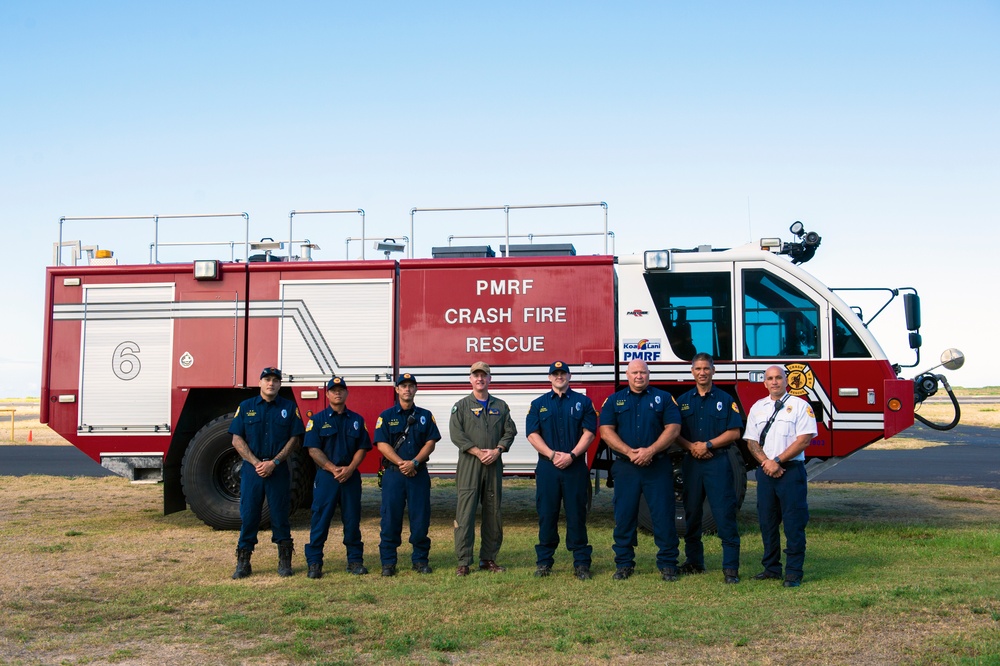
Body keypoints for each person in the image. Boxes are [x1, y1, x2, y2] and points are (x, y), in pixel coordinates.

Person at [599, 359, 682, 581]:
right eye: (635, 372)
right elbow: (606, 431)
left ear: (648, 375)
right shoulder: (614, 400)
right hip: (626, 468)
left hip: (657, 465)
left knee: (663, 516)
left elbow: (673, 428)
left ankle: (668, 564)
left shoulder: (664, 398)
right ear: (627, 375)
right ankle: (624, 564)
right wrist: (629, 452)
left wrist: (650, 451)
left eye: (643, 372)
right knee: (624, 516)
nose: (639, 376)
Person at [744, 365, 818, 588]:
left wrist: (777, 461)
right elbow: (751, 441)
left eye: (778, 378)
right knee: (767, 522)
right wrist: (767, 463)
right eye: (770, 379)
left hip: (791, 472)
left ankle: (794, 572)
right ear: (764, 383)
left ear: (786, 381)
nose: (774, 382)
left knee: (794, 523)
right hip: (766, 472)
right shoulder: (758, 408)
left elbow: (804, 440)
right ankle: (771, 568)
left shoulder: (800, 406)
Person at [228, 367, 304, 579]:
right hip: (253, 471)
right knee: (250, 515)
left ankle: (285, 561)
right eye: (267, 379)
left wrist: (275, 462)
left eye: (275, 380)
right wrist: (255, 462)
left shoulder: (289, 408)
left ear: (280, 384)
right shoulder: (245, 407)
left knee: (280, 515)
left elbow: (295, 440)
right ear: (260, 382)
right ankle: (244, 562)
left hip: (278, 470)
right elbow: (236, 439)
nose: (271, 383)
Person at [676, 353, 744, 584]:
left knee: (724, 513)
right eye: (698, 368)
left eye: (706, 368)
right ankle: (694, 562)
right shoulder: (683, 400)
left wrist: (708, 445)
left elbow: (735, 432)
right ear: (692, 371)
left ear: (713, 371)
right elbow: (675, 432)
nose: (702, 372)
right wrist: (691, 447)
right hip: (692, 463)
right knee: (692, 513)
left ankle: (731, 568)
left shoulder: (726, 400)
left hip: (718, 462)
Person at [526, 361, 597, 580]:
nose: (559, 377)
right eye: (555, 374)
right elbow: (532, 433)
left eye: (562, 373)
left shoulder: (583, 402)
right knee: (547, 514)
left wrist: (572, 455)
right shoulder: (538, 404)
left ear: (569, 376)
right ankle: (544, 561)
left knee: (577, 514)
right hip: (548, 468)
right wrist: (551, 454)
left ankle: (581, 563)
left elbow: (590, 432)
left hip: (575, 467)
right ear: (549, 378)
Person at [449, 361, 517, 576]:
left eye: (484, 375)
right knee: (465, 512)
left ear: (489, 379)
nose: (480, 379)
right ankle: (464, 562)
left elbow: (510, 431)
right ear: (470, 379)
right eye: (476, 375)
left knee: (493, 512)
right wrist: (478, 452)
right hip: (470, 464)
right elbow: (456, 434)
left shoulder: (501, 406)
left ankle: (488, 559)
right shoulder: (460, 406)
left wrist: (498, 450)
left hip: (493, 464)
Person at [303, 376, 372, 579]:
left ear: (347, 393)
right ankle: (315, 562)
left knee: (352, 520)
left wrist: (350, 468)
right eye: (333, 390)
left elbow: (362, 448)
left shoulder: (357, 420)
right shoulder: (317, 420)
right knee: (320, 520)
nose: (337, 393)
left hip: (350, 477)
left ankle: (355, 561)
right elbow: (313, 450)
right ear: (327, 394)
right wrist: (333, 469)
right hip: (327, 478)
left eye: (341, 389)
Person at [374, 373, 441, 577]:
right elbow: (381, 444)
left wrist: (414, 462)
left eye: (411, 386)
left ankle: (420, 560)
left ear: (416, 390)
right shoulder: (385, 416)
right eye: (403, 386)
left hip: (418, 474)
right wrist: (401, 463)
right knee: (390, 519)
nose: (407, 389)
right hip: (394, 475)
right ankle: (388, 563)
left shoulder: (425, 415)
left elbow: (431, 442)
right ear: (396, 390)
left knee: (420, 519)